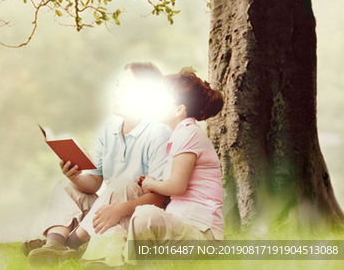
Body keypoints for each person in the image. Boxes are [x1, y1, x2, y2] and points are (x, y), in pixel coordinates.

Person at [25, 63, 172, 266]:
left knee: (123, 184)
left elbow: (158, 197)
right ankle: (54, 244)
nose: (116, 92)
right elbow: (94, 184)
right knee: (65, 186)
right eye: (118, 85)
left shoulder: (159, 134)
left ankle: (73, 243)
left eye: (126, 89)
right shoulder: (108, 130)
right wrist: (74, 176)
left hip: (134, 216)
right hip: (106, 212)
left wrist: (120, 209)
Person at [79, 67, 225, 267]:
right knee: (122, 191)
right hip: (179, 226)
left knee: (144, 214)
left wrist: (153, 184)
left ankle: (126, 263)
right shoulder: (179, 134)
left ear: (179, 110)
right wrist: (152, 182)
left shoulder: (188, 133)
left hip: (202, 236)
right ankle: (106, 259)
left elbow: (176, 187)